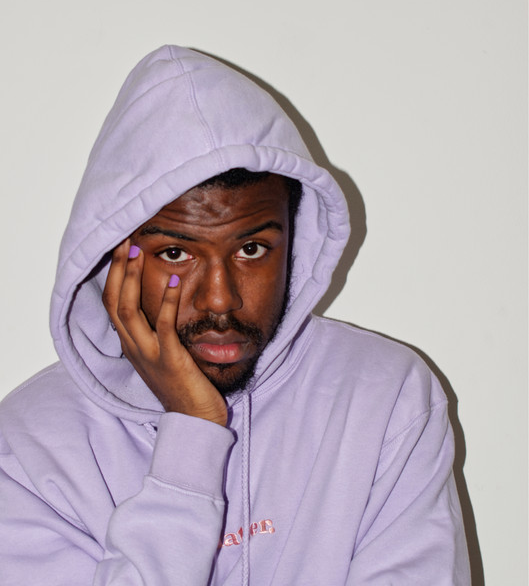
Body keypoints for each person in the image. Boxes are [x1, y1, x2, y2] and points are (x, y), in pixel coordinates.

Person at [0, 45, 470, 585]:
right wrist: (192, 437)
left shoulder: (382, 397)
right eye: (175, 253)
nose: (220, 300)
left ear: (295, 241)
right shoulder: (30, 447)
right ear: (113, 260)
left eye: (251, 249)